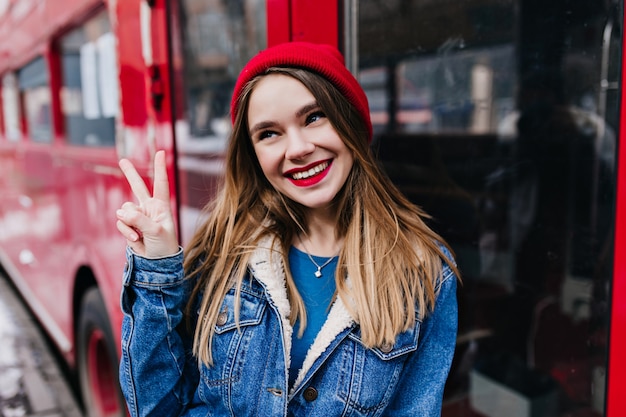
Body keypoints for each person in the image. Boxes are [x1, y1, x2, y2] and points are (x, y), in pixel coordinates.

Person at [115, 41, 459, 417]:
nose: (297, 148)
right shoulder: (221, 253)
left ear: (350, 122)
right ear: (254, 154)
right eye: (269, 134)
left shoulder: (424, 271)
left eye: (314, 117)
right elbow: (156, 409)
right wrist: (157, 268)